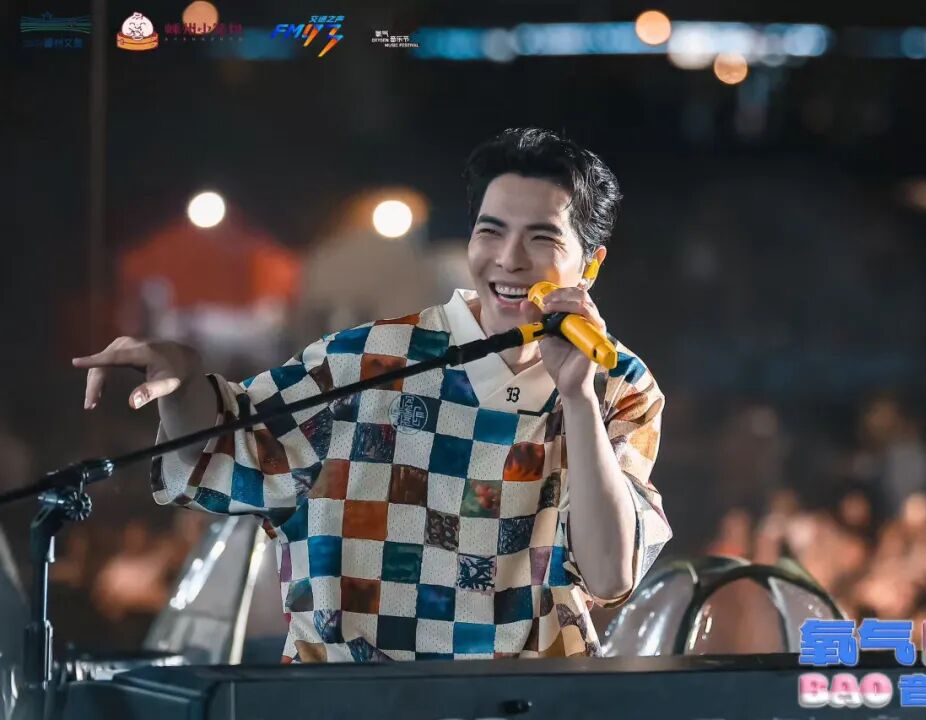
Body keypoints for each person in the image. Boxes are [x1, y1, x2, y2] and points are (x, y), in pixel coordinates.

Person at [73, 128, 672, 662]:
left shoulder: (619, 383)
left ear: (591, 264)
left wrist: (578, 397)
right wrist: (185, 379)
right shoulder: (368, 361)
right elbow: (222, 447)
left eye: (542, 238)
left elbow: (610, 574)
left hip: (532, 701)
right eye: (491, 231)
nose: (509, 259)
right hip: (351, 700)